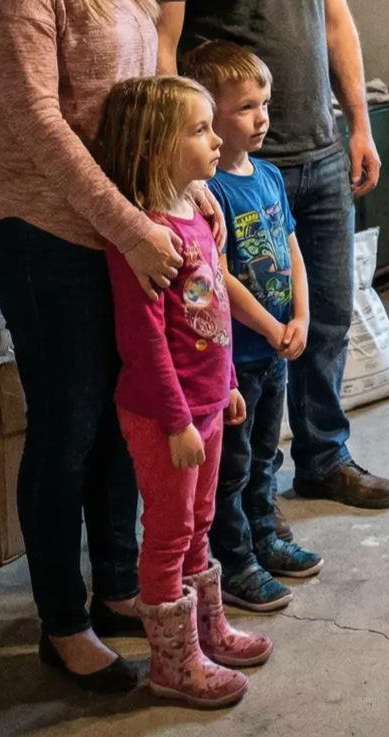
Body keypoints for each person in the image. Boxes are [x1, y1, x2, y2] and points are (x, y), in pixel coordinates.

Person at [134, 0, 389, 510]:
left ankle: (323, 456)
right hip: (238, 171)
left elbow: (338, 23)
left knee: (326, 320)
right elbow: (164, 46)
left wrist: (359, 123)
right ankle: (238, 499)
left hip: (318, 153)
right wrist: (178, 167)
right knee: (241, 345)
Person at [0, 0, 178, 692]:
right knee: (69, 425)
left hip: (121, 227)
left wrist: (177, 188)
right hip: (47, 230)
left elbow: (135, 95)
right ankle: (60, 617)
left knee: (121, 425)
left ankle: (118, 584)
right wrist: (132, 225)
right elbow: (36, 122)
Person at [98, 75, 274, 708]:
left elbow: (215, 313)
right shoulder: (143, 238)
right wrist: (176, 422)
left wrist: (225, 384)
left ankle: (206, 632)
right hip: (162, 415)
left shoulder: (198, 214)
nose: (213, 138)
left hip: (205, 404)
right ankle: (172, 664)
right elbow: (143, 345)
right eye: (198, 129)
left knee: (199, 524)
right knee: (169, 534)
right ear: (153, 149)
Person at [182, 41, 326, 614]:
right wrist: (270, 326)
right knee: (234, 465)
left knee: (267, 454)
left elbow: (291, 249)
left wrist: (301, 317)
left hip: (273, 348)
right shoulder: (209, 190)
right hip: (236, 355)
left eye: (264, 103)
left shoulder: (267, 175)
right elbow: (217, 278)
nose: (262, 117)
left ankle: (265, 537)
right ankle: (234, 559)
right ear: (208, 118)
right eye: (245, 107)